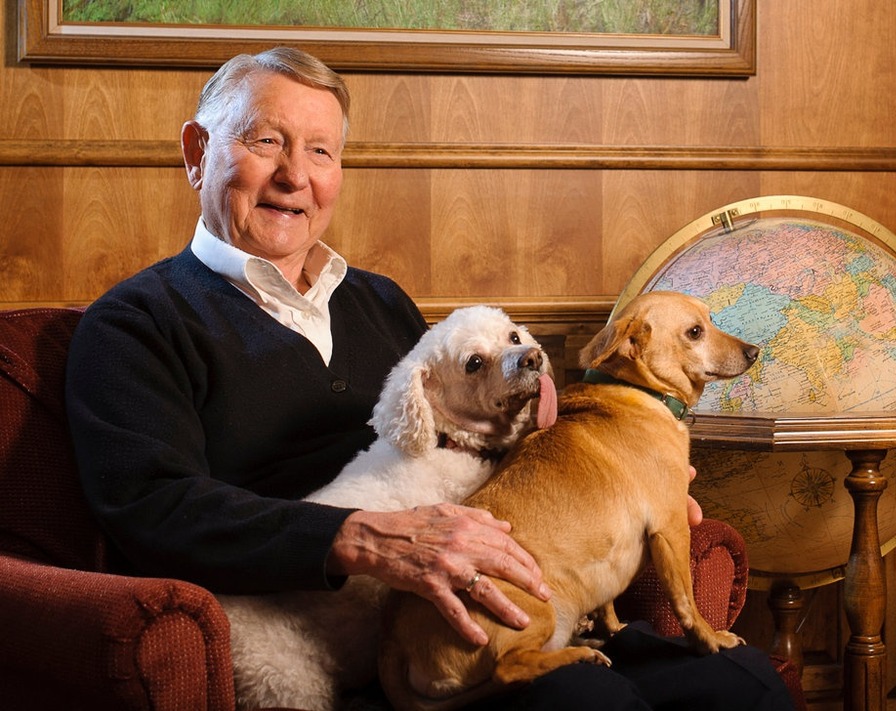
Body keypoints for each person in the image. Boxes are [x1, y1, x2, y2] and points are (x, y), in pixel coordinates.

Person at [65, 46, 793, 710]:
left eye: (321, 150)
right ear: (197, 152)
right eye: (266, 142)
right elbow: (152, 510)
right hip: (336, 640)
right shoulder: (134, 325)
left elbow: (489, 451)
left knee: (741, 683)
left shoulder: (380, 302)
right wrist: (359, 537)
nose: (296, 175)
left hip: (498, 598)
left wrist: (627, 486)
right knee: (590, 707)